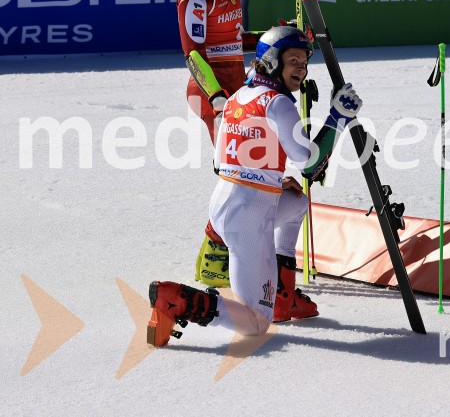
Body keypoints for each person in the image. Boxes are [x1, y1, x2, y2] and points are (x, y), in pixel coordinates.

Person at [147, 27, 364, 347]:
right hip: (249, 217)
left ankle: (282, 296)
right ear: (273, 61)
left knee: (296, 204)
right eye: (293, 61)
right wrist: (338, 116)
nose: (301, 70)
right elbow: (310, 165)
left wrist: (271, 180)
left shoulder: (238, 97)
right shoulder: (277, 102)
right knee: (254, 323)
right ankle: (173, 299)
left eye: (304, 62)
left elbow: (221, 163)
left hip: (227, 203)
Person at [177, 0, 248, 289]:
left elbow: (234, 43)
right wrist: (218, 99)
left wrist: (278, 40)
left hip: (236, 90)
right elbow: (193, 53)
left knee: (249, 172)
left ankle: (228, 251)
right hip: (211, 92)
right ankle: (213, 259)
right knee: (236, 176)